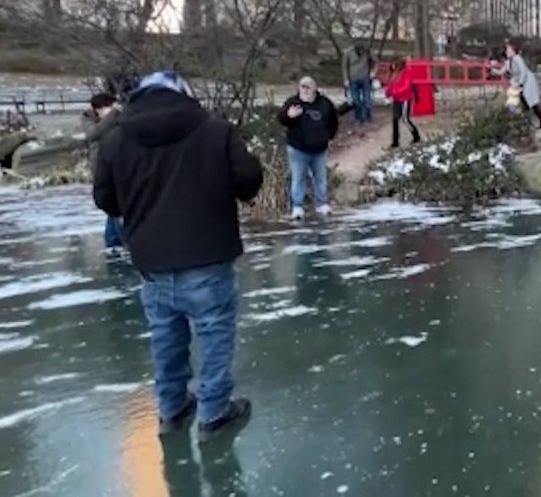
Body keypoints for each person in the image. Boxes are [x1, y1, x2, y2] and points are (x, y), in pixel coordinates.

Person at [92, 70, 263, 442]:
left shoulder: (115, 139)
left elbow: (105, 199)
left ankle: (171, 407)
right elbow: (249, 180)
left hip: (152, 260)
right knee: (214, 332)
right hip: (207, 252)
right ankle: (214, 411)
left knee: (164, 336)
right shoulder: (215, 131)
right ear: (183, 93)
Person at [278, 77, 339, 219]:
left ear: (315, 88)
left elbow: (333, 121)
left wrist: (329, 137)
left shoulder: (325, 103)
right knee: (298, 178)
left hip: (319, 149)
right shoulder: (293, 103)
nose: (305, 90)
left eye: (308, 87)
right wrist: (289, 116)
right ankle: (297, 206)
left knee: (320, 178)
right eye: (302, 87)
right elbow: (281, 119)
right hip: (298, 149)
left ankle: (322, 203)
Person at [82, 92, 124, 250]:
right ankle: (114, 240)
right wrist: (112, 115)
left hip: (116, 165)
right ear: (97, 109)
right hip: (100, 167)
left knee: (115, 206)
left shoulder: (117, 118)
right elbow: (94, 134)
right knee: (111, 204)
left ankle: (113, 240)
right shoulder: (88, 118)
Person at [503, 41, 541, 128]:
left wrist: (520, 83)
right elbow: (503, 71)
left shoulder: (517, 58)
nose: (507, 52)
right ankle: (531, 122)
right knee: (525, 103)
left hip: (527, 82)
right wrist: (493, 69)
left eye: (509, 50)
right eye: (506, 50)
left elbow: (523, 71)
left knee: (531, 102)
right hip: (522, 83)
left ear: (514, 51)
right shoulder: (509, 61)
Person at [385, 59, 421, 148]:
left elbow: (406, 87)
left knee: (405, 119)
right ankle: (395, 142)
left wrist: (394, 92)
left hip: (405, 98)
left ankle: (416, 136)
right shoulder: (393, 74)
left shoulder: (407, 73)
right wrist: (388, 92)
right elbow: (390, 84)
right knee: (395, 120)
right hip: (396, 99)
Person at [342, 44, 376, 125]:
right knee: (355, 99)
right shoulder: (348, 52)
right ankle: (359, 118)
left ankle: (367, 117)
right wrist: (345, 79)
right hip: (353, 79)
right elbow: (344, 67)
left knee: (367, 99)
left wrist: (373, 71)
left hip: (365, 78)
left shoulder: (368, 51)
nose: (361, 52)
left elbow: (376, 61)